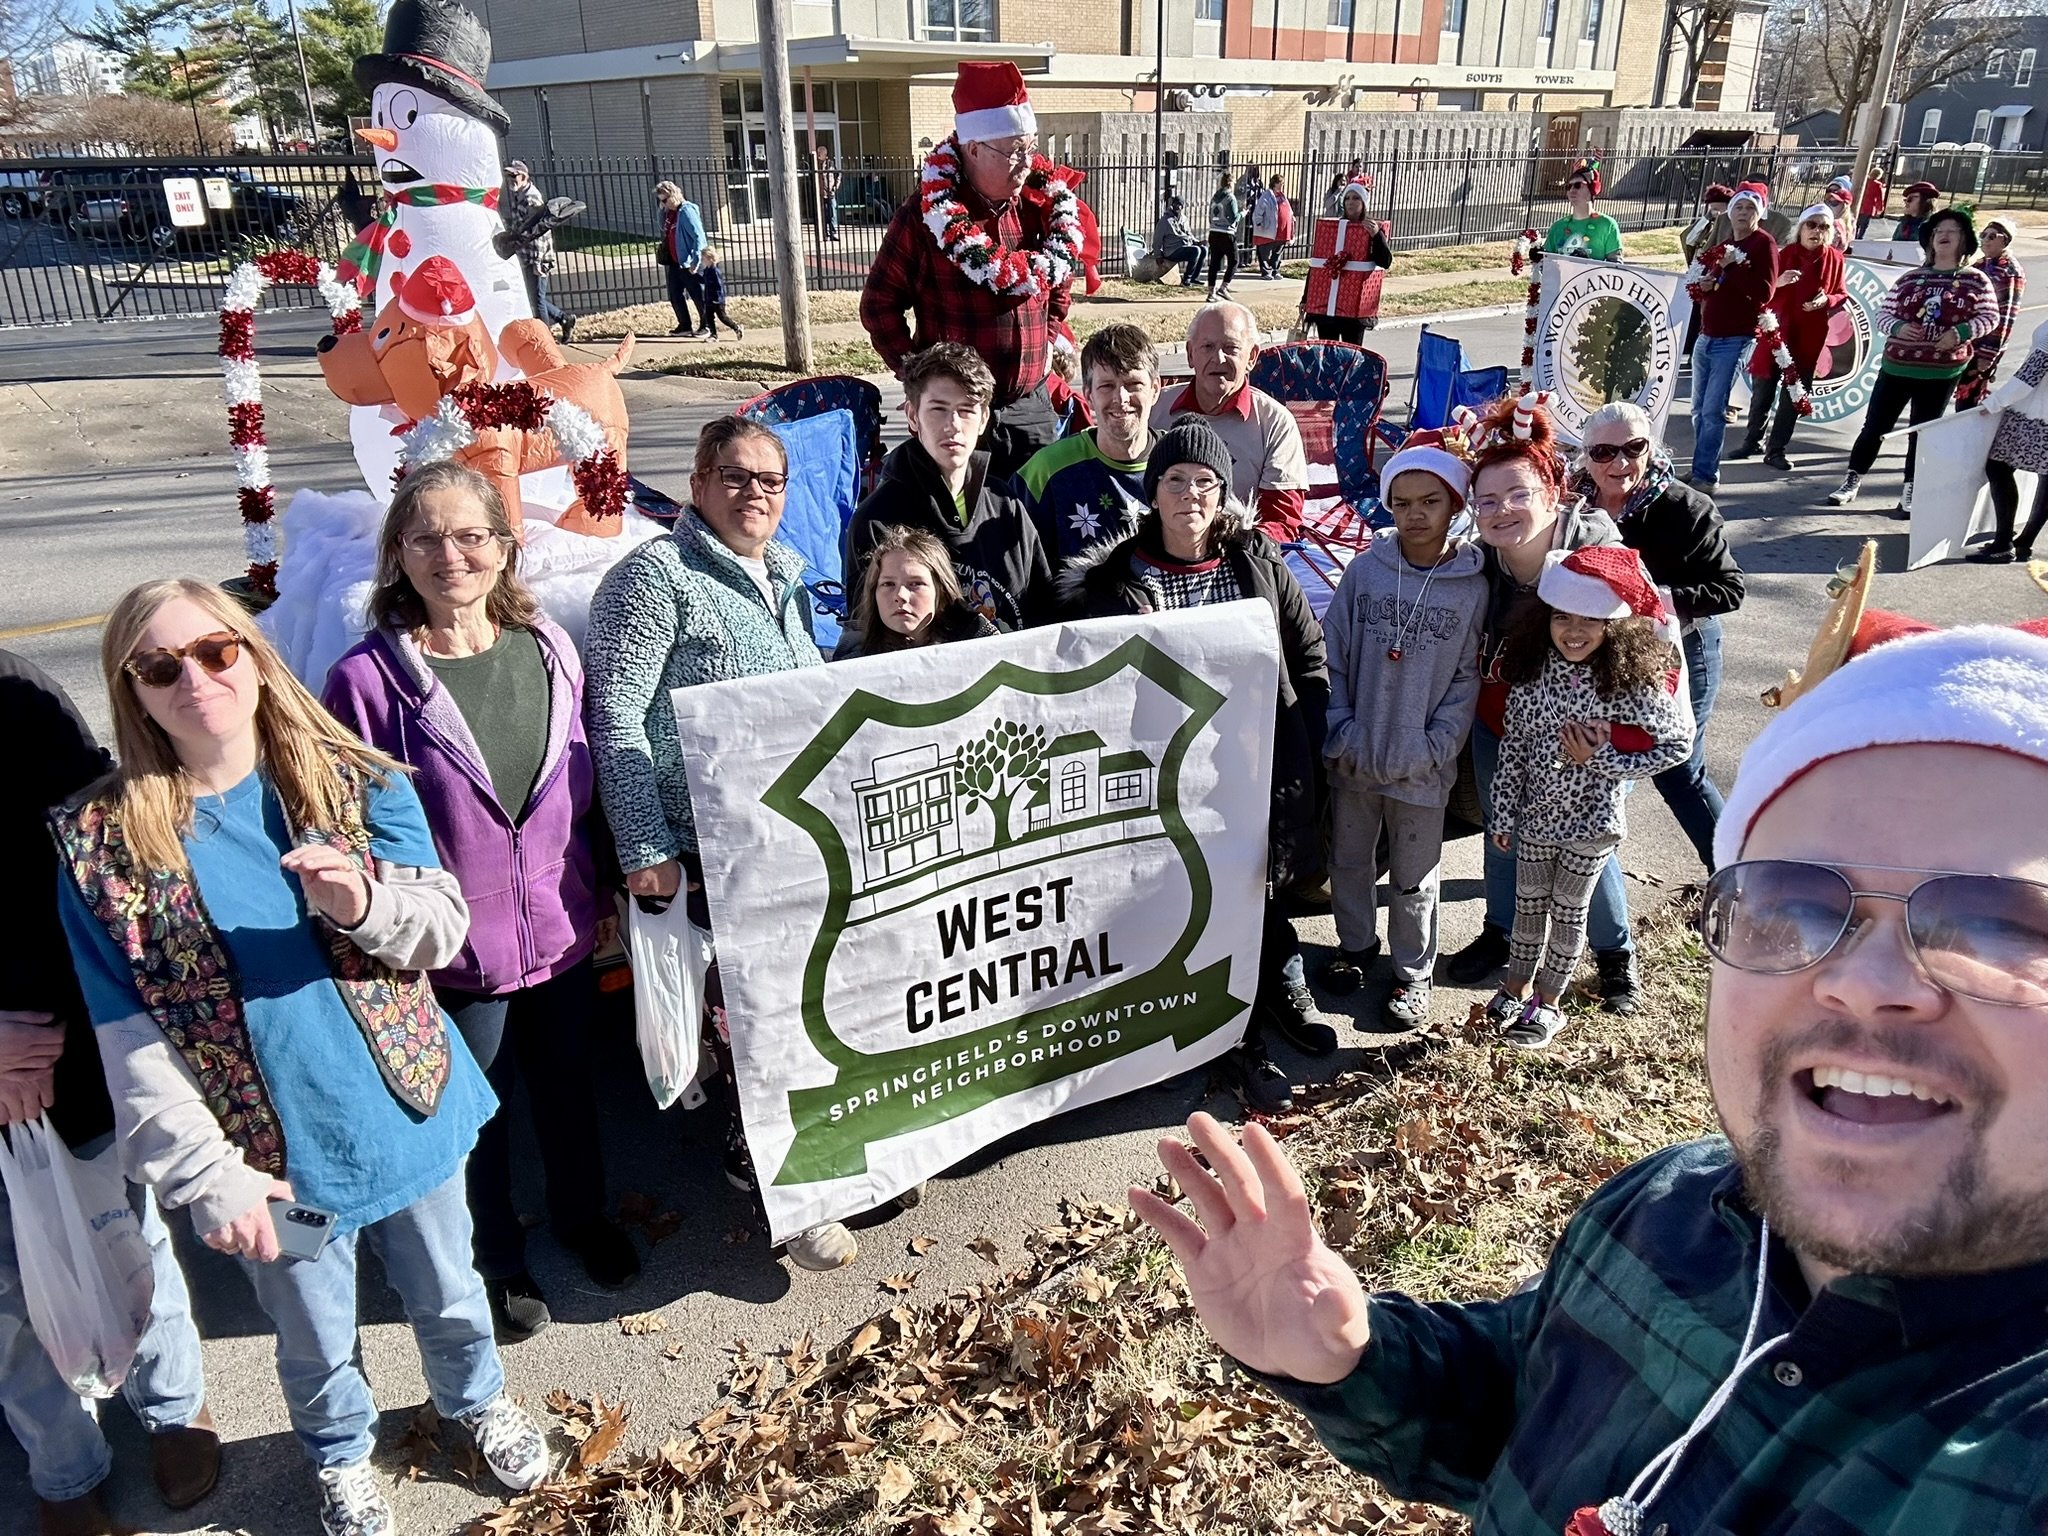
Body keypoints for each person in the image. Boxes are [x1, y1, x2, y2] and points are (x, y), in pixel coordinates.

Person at [1133, 619, 2048, 1536]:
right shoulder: (1666, 1205)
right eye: (1793, 900)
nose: (1863, 983)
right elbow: (1527, 1400)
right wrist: (1356, 1358)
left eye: (2005, 926)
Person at [51, 580, 545, 1536]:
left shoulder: (353, 778)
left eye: (216, 651)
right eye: (160, 666)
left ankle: (476, 1399)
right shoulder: (102, 850)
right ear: (134, 692)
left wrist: (365, 906)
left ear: (253, 654)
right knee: (315, 1334)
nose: (194, 678)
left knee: (448, 1286)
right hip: (272, 1170)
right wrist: (210, 1179)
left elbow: (441, 929)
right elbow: (131, 1044)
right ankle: (341, 1457)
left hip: (405, 1111)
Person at [320, 462, 635, 1345]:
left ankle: (582, 1218)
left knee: (569, 1090)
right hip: (455, 949)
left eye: (470, 536)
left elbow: (584, 782)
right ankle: (495, 1259)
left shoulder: (547, 649)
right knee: (477, 1116)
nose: (450, 556)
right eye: (426, 538)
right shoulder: (368, 683)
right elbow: (351, 821)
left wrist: (601, 884)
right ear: (399, 557)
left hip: (563, 923)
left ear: (504, 548)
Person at [585, 419, 866, 1273]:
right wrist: (641, 841)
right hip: (702, 841)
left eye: (772, 482)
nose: (756, 495)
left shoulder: (784, 575)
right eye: (736, 477)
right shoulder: (652, 580)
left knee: (798, 1002)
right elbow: (616, 715)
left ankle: (825, 1154)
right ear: (700, 482)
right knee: (744, 1016)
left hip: (785, 833)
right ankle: (781, 1184)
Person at [3, 649, 218, 1536]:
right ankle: (62, 1468)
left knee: (124, 1234)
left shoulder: (14, 695)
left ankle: (174, 1407)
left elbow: (101, 844)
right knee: (9, 1293)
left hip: (67, 1050)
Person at [1061, 420, 1332, 1113]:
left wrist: (1306, 735)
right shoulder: (1116, 581)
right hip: (1163, 774)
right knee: (1180, 896)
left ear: (1224, 491)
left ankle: (1277, 983)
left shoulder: (1258, 564)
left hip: (1253, 763)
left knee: (1255, 885)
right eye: (1175, 480)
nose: (1190, 494)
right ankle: (1199, 1023)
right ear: (1154, 491)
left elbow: (1306, 653)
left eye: (1205, 482)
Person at [1443, 394, 1640, 1015]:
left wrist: (1615, 735)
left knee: (1585, 837)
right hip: (1501, 716)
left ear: (1554, 491)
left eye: (1519, 493)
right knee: (1503, 831)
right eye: (1488, 500)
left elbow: (1646, 639)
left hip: (1584, 726)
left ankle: (1615, 959)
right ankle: (1502, 936)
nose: (1503, 510)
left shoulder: (1595, 548)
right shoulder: (1479, 560)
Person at [1484, 547, 1692, 1047]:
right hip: (1536, 820)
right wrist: (1504, 814)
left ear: (1613, 626)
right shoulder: (1532, 678)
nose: (1573, 630)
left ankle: (1548, 1005)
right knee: (1528, 907)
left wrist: (1605, 763)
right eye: (1562, 617)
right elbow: (1512, 748)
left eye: (1590, 620)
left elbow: (1678, 742)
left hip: (1594, 823)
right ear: (1544, 619)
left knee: (1570, 911)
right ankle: (1516, 986)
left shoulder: (1627, 684)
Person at [1316, 433, 1487, 1029]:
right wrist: (1340, 730)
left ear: (1455, 506)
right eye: (1403, 502)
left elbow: (1467, 678)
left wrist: (1435, 747)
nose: (1416, 514)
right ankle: (1355, 946)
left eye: (1430, 502)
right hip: (1356, 755)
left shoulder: (1471, 585)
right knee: (1350, 860)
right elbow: (1330, 654)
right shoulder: (1365, 572)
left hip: (1422, 765)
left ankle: (1412, 973)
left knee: (1414, 875)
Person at [861, 61, 1075, 481]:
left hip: (1029, 407)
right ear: (973, 149)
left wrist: (1047, 338)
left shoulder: (1039, 205)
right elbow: (878, 305)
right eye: (1013, 151)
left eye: (1030, 148)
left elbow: (1058, 281)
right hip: (957, 417)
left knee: (1035, 525)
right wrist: (917, 377)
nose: (1026, 163)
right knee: (960, 531)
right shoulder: (927, 216)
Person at [1576, 402, 1744, 872]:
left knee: (1679, 769)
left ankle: (1738, 878)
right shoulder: (1573, 503)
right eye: (1605, 451)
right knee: (1599, 755)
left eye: (1634, 448)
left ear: (1652, 447)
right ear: (1585, 454)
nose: (1620, 463)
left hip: (1681, 648)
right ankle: (1581, 865)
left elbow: (1729, 589)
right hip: (1604, 650)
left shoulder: (1686, 507)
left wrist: (1654, 598)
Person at [842, 343, 1054, 638]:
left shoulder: (1006, 505)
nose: (952, 425)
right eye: (938, 409)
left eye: (966, 410)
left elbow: (1044, 611)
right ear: (913, 416)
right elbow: (864, 635)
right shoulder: (877, 519)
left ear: (983, 420)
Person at [1828, 207, 1999, 514]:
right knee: (1875, 427)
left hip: (1940, 373)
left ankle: (1911, 488)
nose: (1944, 236)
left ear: (1964, 241)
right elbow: (1883, 314)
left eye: (1952, 231)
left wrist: (1960, 332)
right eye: (1938, 232)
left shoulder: (1976, 281)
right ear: (1930, 240)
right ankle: (1852, 479)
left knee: (1923, 431)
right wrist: (1897, 327)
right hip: (1896, 367)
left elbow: (1990, 317)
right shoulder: (1911, 278)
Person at [1149, 302, 1310, 541]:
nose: (1218, 358)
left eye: (1231, 347)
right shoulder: (1154, 409)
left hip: (1238, 553)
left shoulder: (1275, 422)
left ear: (1252, 357)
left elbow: (1281, 518)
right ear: (1191, 354)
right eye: (1207, 347)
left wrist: (1232, 551)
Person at [1017, 323, 1160, 563]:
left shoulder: (1180, 462)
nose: (1121, 398)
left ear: (1155, 389)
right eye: (1107, 386)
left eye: (1133, 384)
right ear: (1088, 395)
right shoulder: (1046, 469)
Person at [1733, 205, 1847, 471]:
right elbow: (1761, 290)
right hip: (1777, 331)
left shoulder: (1836, 259)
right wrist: (1780, 281)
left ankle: (1777, 449)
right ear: (1801, 228)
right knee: (1763, 391)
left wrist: (1826, 300)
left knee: (1794, 394)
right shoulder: (1784, 255)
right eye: (1812, 225)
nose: (1817, 231)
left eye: (1823, 227)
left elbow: (1841, 293)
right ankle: (1752, 440)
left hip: (1809, 336)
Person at [1686, 187, 1777, 491]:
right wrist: (1708, 282)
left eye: (1750, 208)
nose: (1743, 213)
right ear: (1730, 212)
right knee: (1698, 409)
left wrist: (1731, 268)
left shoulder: (1764, 244)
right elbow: (1704, 285)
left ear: (1759, 213)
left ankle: (1706, 477)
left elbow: (1765, 292)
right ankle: (1700, 465)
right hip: (1707, 336)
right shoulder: (1724, 245)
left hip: (1735, 338)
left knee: (1713, 409)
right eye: (1738, 207)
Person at [839, 525, 1000, 656]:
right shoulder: (852, 662)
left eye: (915, 583)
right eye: (888, 584)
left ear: (941, 591)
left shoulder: (975, 648)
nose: (900, 596)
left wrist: (982, 633)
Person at [1966, 313, 2048, 563]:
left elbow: (2030, 375)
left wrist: (1995, 402)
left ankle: (2003, 543)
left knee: (1998, 467)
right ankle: (2024, 542)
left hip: (2036, 415)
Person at [1300, 180, 1394, 345]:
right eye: (1347, 198)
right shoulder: (1333, 229)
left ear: (1364, 202)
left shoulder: (1372, 228)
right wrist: (1305, 298)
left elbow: (1385, 261)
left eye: (1356, 198)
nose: (1350, 202)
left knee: (1351, 353)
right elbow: (1318, 265)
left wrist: (1376, 236)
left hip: (1353, 310)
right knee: (1328, 353)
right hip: (1327, 308)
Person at [1956, 217, 2025, 410]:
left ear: (2005, 241)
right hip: (1967, 338)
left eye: (1992, 236)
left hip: (1984, 345)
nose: (1985, 239)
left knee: (1967, 400)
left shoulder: (2009, 271)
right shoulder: (1979, 265)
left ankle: (1969, 437)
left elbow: (2006, 316)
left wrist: (1988, 354)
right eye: (1983, 235)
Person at [505, 159, 573, 344]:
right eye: (508, 176)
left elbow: (540, 232)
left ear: (524, 176)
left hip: (537, 257)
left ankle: (546, 340)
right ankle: (564, 318)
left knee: (537, 300)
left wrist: (537, 262)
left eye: (514, 175)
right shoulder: (519, 195)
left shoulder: (531, 198)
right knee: (533, 297)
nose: (511, 179)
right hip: (526, 255)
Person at [654, 180, 707, 339]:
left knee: (698, 294)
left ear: (673, 195)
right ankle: (684, 325)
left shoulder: (686, 211)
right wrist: (661, 210)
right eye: (660, 201)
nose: (663, 204)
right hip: (675, 261)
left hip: (689, 261)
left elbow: (699, 237)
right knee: (675, 294)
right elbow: (662, 226)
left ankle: (707, 326)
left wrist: (696, 260)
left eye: (664, 200)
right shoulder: (670, 213)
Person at [1544, 162, 1622, 261]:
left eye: (1577, 185)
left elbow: (1616, 265)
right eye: (1568, 186)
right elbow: (1546, 262)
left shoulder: (1607, 225)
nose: (1572, 190)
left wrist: (1586, 263)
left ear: (1592, 189)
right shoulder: (1557, 226)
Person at [1150, 194, 1203, 287]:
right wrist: (1158, 255)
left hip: (1185, 246)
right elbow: (1157, 240)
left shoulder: (1184, 219)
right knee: (1196, 251)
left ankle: (1194, 277)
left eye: (1180, 205)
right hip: (1172, 250)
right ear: (1172, 205)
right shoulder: (1165, 221)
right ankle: (1187, 279)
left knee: (1203, 249)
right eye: (1175, 204)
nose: (1177, 207)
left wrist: (1197, 242)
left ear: (1183, 206)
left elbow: (1189, 234)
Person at [696, 245, 744, 341]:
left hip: (717, 300)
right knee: (709, 317)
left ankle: (737, 328)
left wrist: (717, 299)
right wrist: (695, 276)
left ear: (709, 258)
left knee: (722, 317)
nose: (702, 260)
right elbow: (704, 281)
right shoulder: (707, 270)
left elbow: (718, 286)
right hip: (709, 299)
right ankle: (714, 335)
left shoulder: (715, 271)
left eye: (703, 258)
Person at [1206, 172, 1240, 302]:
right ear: (1231, 183)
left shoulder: (1215, 197)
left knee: (1214, 262)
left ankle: (1211, 292)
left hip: (1214, 232)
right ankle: (1224, 287)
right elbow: (1233, 218)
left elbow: (1210, 216)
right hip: (1227, 233)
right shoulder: (1230, 198)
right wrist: (1242, 213)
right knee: (1234, 260)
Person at [1252, 174, 1292, 280]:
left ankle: (1275, 270)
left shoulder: (1282, 196)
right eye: (1280, 183)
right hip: (1268, 230)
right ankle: (1266, 272)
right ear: (1274, 183)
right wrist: (1259, 223)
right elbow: (1258, 211)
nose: (1282, 186)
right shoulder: (1266, 196)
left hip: (1281, 231)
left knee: (1277, 252)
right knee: (1264, 252)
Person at [815, 147, 841, 243]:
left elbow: (838, 175)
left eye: (819, 153)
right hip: (821, 194)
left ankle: (833, 233)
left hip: (830, 193)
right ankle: (825, 234)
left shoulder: (830, 164)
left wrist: (835, 186)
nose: (818, 155)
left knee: (832, 214)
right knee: (824, 214)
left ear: (824, 154)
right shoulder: (816, 164)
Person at [1822, 175, 1854, 250]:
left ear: (1845, 206)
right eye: (1828, 201)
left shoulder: (1837, 225)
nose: (1829, 205)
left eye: (1834, 203)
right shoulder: (1823, 219)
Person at [1856, 164, 1887, 239]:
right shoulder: (1878, 185)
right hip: (1869, 207)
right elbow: (1879, 197)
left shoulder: (1864, 182)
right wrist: (1880, 208)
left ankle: (1854, 234)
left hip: (1860, 205)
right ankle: (1860, 237)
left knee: (1857, 222)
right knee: (1864, 224)